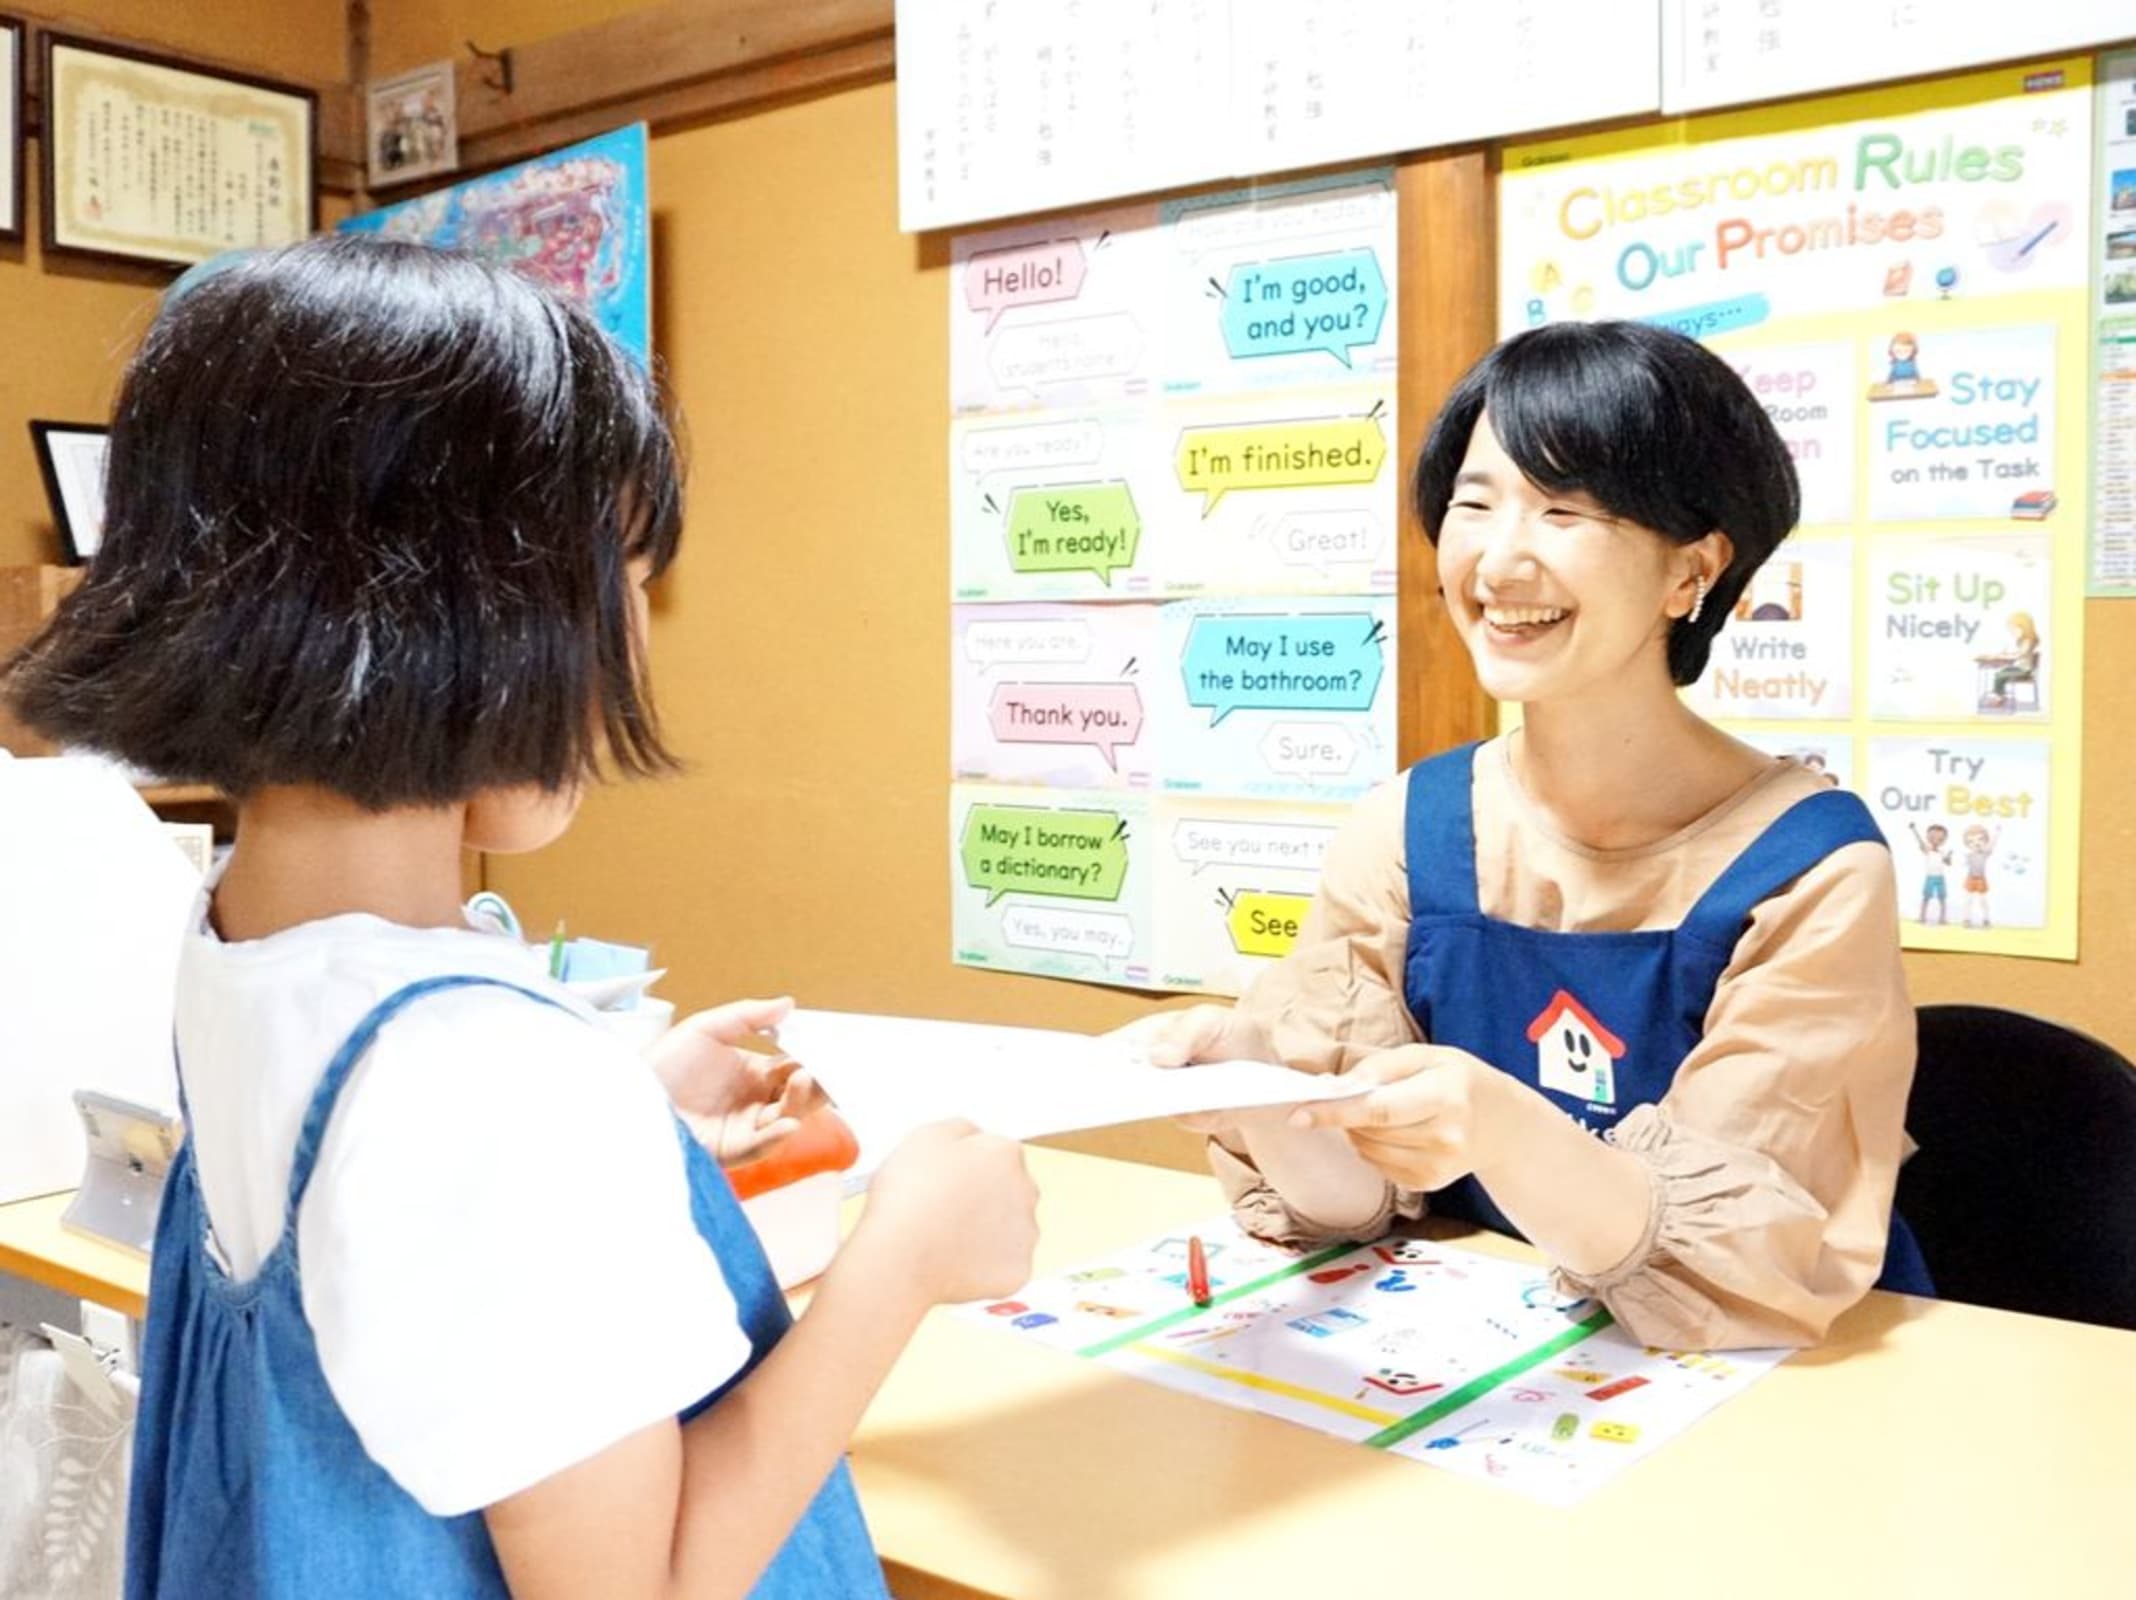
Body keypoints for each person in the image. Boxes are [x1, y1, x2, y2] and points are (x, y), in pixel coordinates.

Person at [2, 236, 1039, 1599]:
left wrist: (631, 1118)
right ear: (462, 612)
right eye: (623, 575)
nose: (635, 639)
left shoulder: (241, 937)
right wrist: (900, 1261)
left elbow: (374, 1217)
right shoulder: (492, 1081)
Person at [1131, 320, 1929, 1351]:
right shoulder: (1408, 829)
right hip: (1503, 1363)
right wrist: (1261, 1089)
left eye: (1563, 510)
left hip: (1768, 1370)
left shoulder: (1811, 869)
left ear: (1692, 570)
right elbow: (1348, 1207)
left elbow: (1737, 1275)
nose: (1500, 560)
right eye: (1474, 504)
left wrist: (1500, 1125)